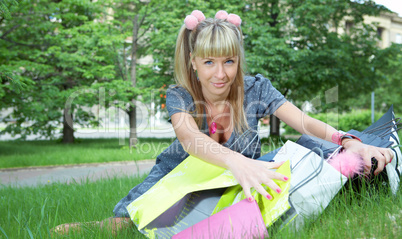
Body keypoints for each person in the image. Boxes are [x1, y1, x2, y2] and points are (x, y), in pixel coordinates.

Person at [53, 10, 394, 235]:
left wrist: (348, 140)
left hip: (240, 173)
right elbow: (189, 139)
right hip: (181, 173)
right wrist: (238, 161)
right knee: (128, 223)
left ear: (238, 59)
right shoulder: (180, 94)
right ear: (194, 61)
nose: (220, 74)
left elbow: (304, 122)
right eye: (209, 62)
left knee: (324, 151)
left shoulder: (256, 87)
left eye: (229, 61)